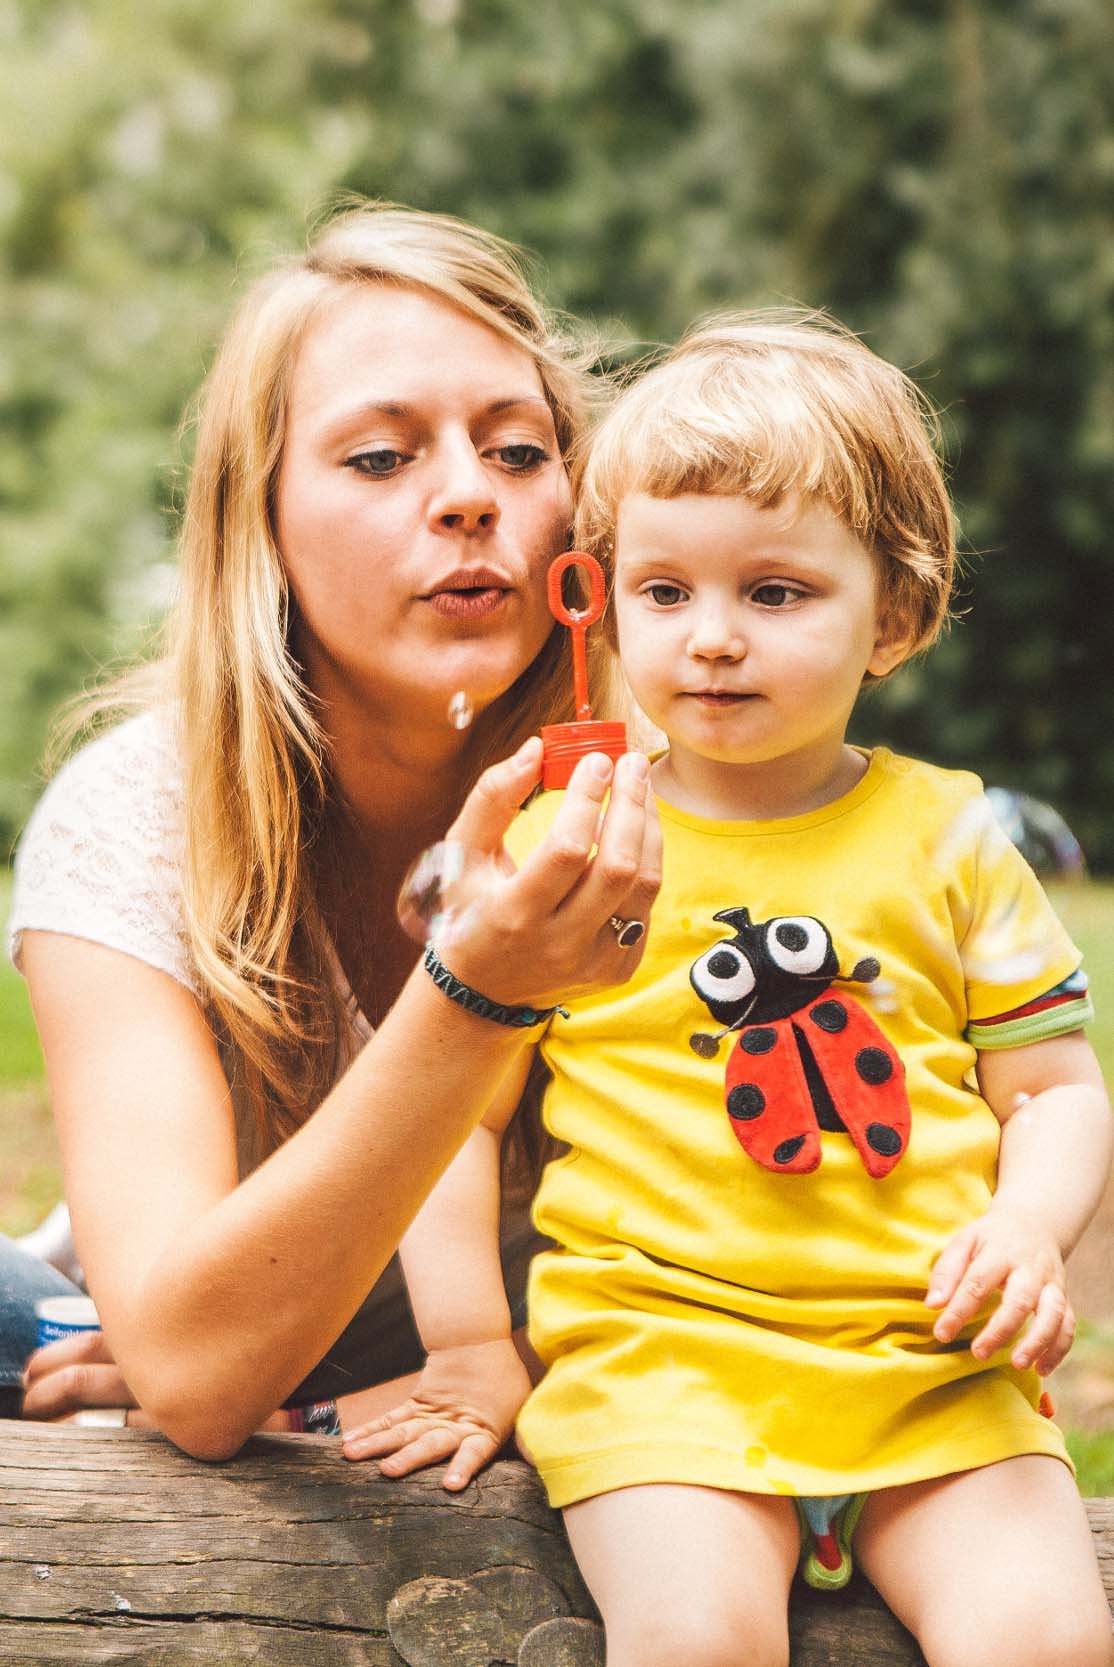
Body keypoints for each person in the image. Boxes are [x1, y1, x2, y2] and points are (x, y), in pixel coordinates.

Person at [348, 313, 1113, 1667]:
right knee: (695, 1638)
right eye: (662, 592)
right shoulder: (569, 848)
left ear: (896, 612)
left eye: (772, 593)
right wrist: (469, 1338)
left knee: (1047, 1634)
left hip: (930, 1368)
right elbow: (451, 1115)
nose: (708, 639)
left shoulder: (945, 838)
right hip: (661, 1366)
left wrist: (1026, 1227)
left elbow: (1052, 1088)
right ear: (601, 596)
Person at [3, 200, 661, 1455]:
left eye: (519, 451)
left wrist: (495, 1372)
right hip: (172, 1335)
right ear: (261, 519)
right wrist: (478, 990)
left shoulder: (663, 798)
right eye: (380, 457)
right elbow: (194, 1374)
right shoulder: (140, 812)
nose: (470, 496)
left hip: (559, 1367)